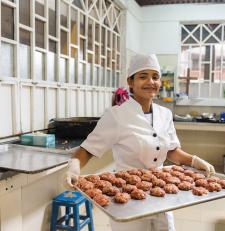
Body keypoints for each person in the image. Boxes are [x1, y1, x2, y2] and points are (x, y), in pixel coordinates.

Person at [64, 53, 215, 231]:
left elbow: (172, 151)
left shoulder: (165, 114)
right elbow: (88, 149)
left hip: (161, 192)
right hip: (127, 196)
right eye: (143, 76)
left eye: (155, 77)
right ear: (131, 82)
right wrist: (74, 165)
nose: (150, 82)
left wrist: (193, 160)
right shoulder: (116, 115)